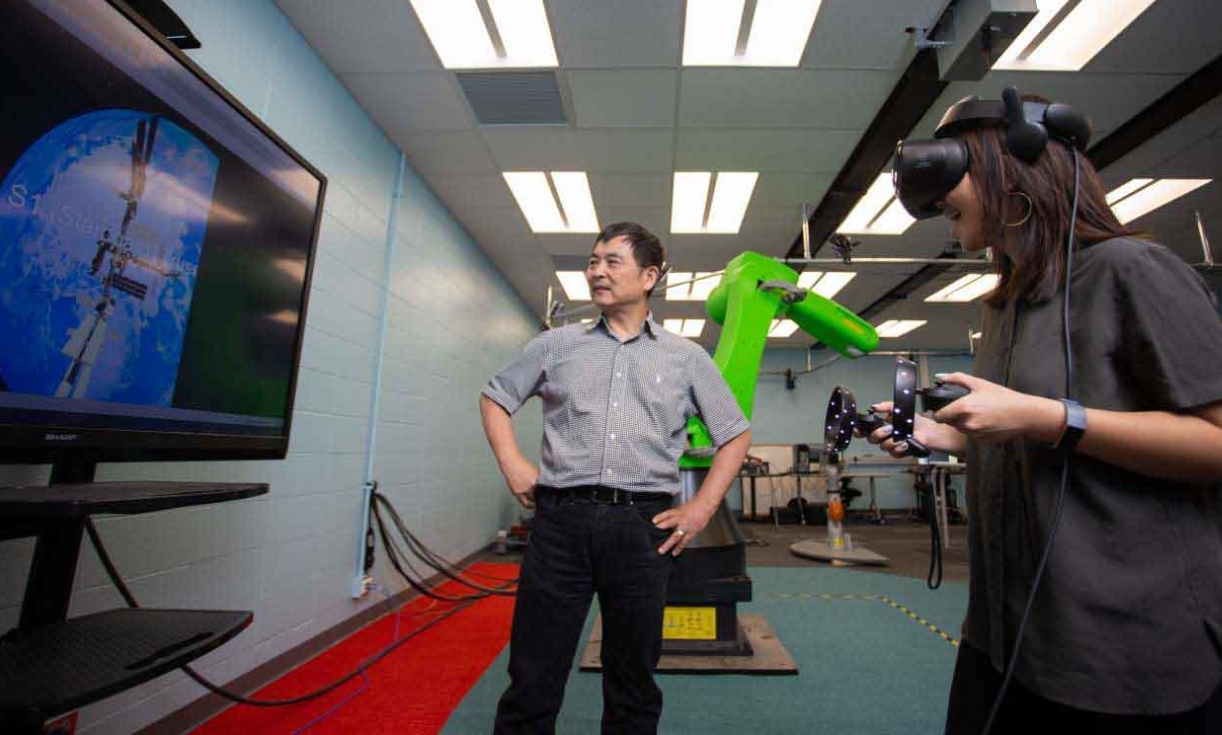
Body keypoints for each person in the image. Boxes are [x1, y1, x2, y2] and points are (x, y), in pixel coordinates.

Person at [872, 92, 1222, 733]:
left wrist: (1050, 418)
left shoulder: (1133, 270)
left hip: (1120, 652)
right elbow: (1025, 429)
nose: (940, 206)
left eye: (958, 175)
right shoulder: (1005, 302)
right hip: (1005, 633)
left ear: (1017, 172)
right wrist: (949, 439)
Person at [480, 221, 751, 734]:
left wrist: (701, 508)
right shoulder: (556, 345)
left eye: (611, 262)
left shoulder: (686, 357)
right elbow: (495, 397)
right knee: (533, 675)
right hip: (560, 522)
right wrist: (514, 464)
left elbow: (734, 434)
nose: (596, 271)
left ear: (649, 276)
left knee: (633, 680)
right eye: (592, 261)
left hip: (643, 529)